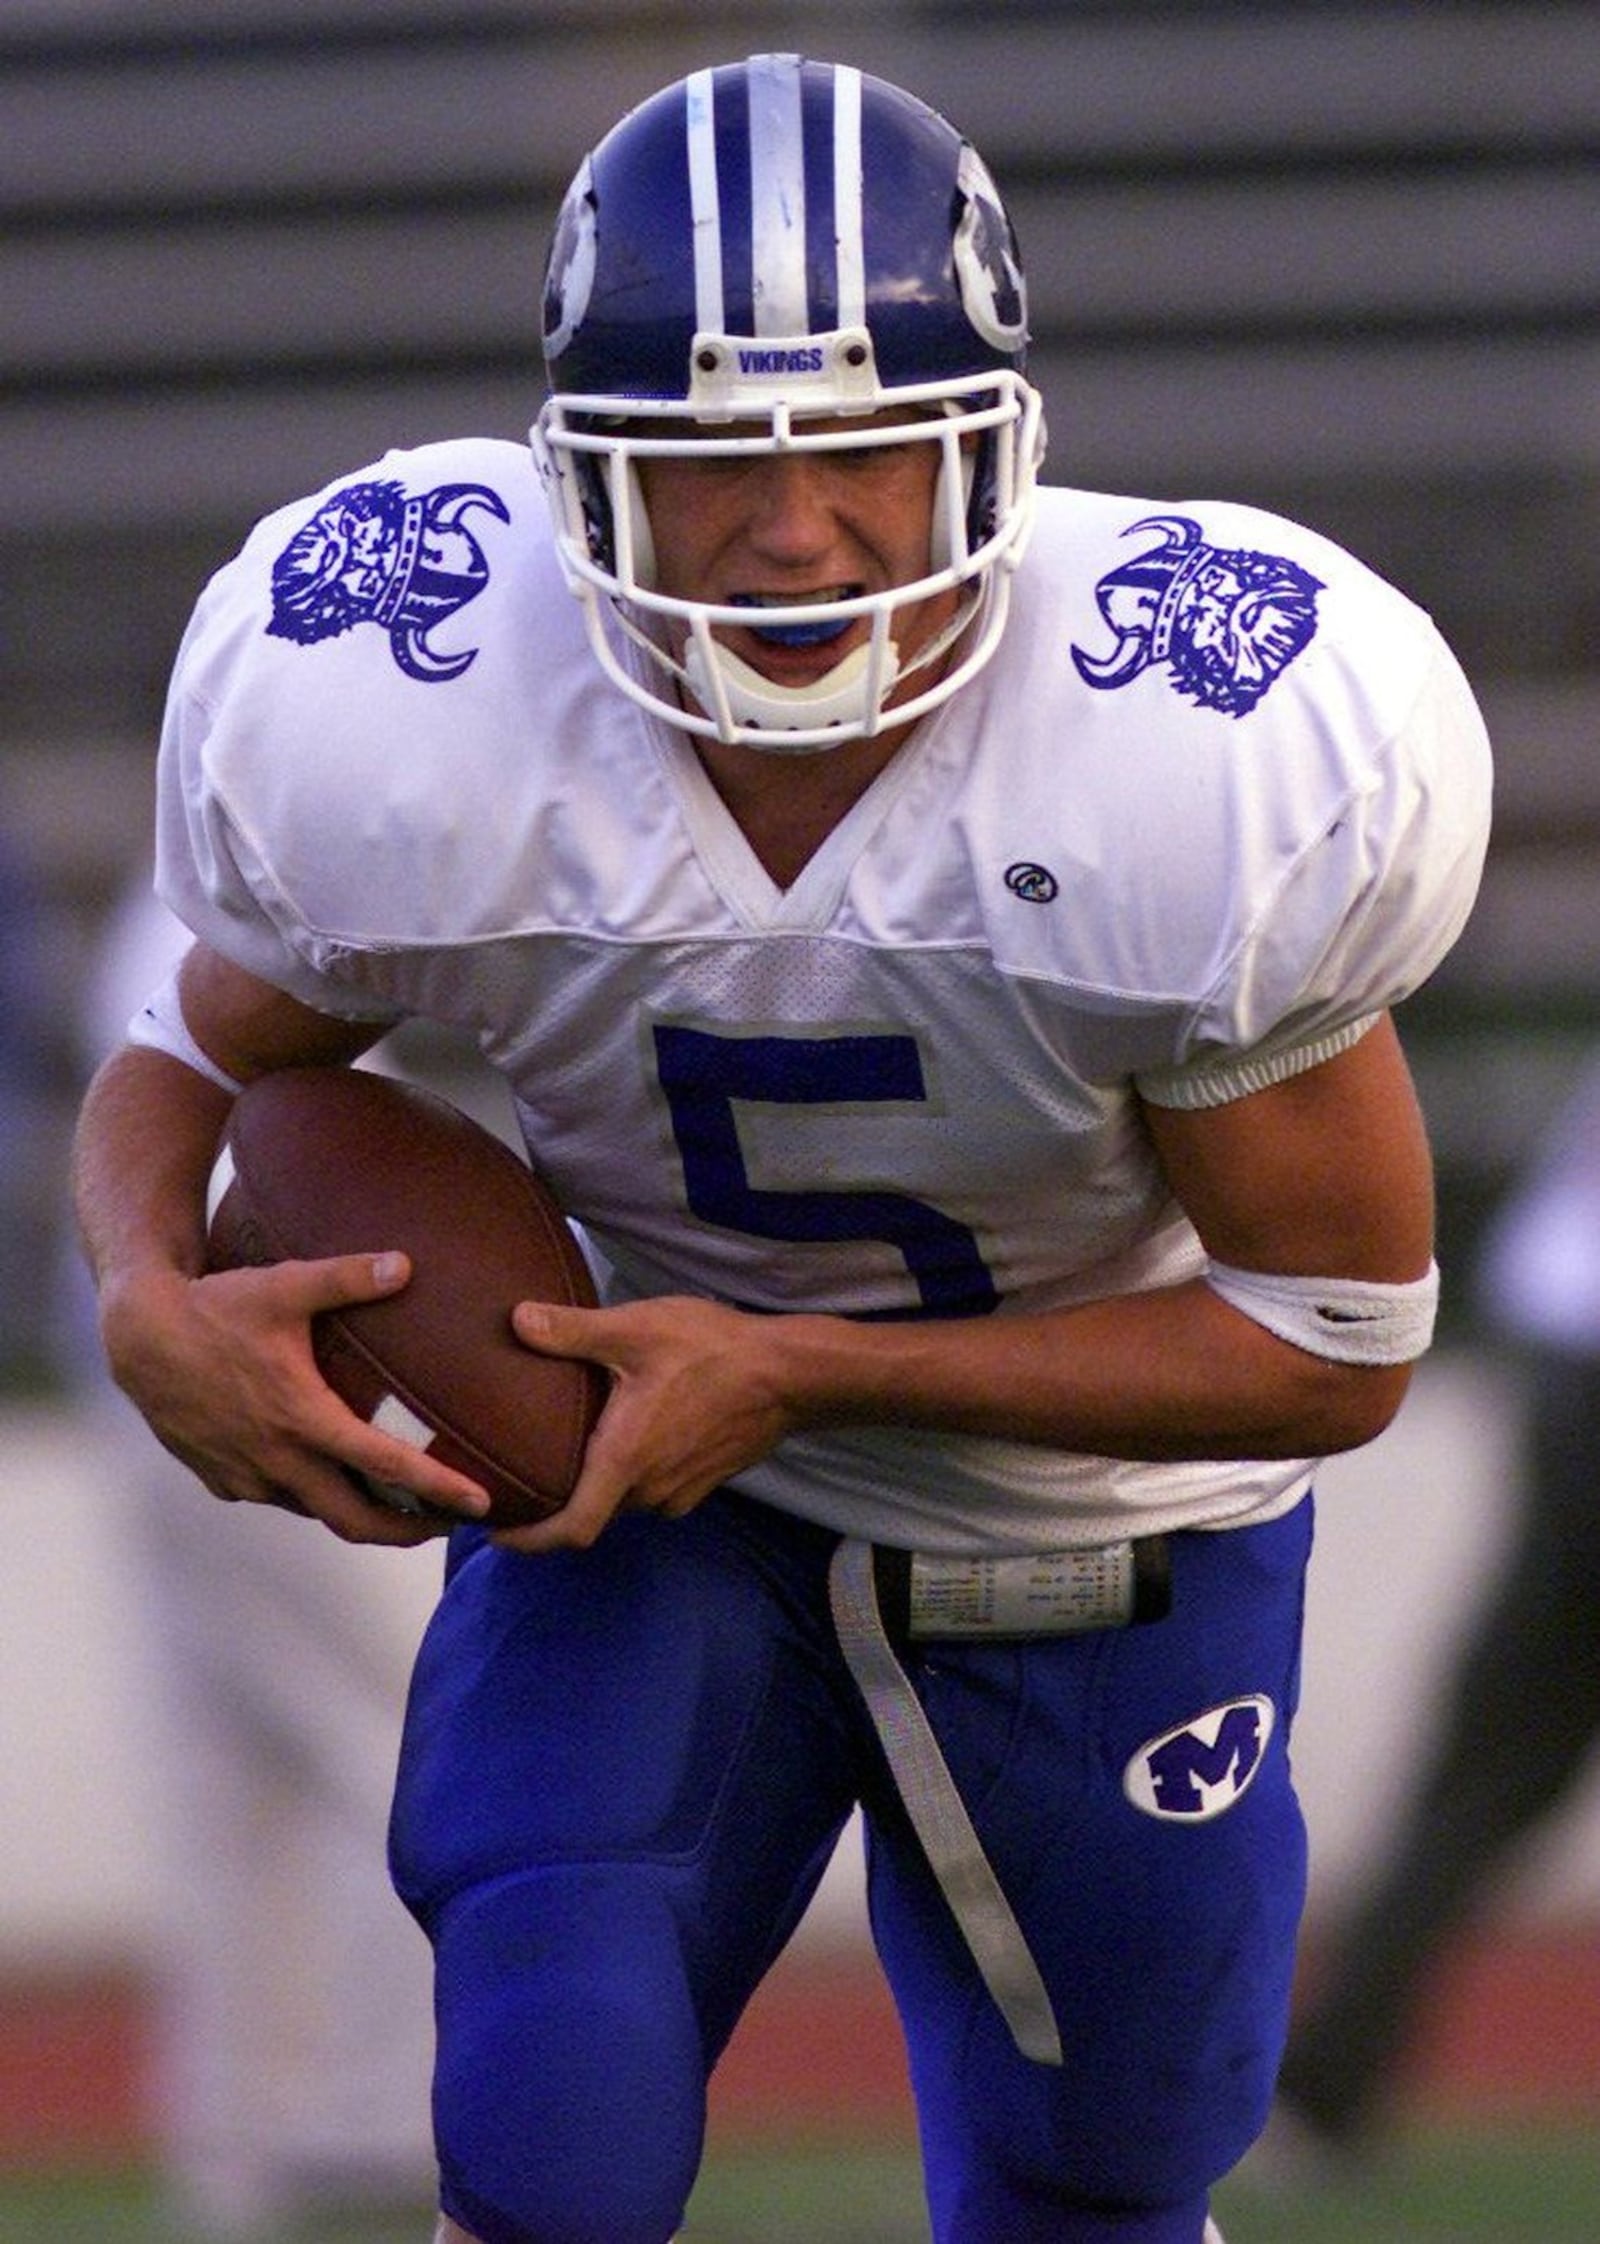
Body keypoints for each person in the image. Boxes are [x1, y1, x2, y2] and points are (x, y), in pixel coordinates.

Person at [70, 53, 1492, 2244]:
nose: (795, 523)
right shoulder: (429, 709)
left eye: (861, 444)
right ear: (581, 487)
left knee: (1089, 2185)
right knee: (547, 2126)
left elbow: (1323, 1344)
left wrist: (801, 1368)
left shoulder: (1190, 765)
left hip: (1100, 1524)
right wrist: (146, 1288)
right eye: (714, 459)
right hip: (653, 1494)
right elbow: (187, 1043)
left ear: (989, 452)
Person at [60, 877, 440, 2240]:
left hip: (152, 1400)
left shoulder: (187, 902)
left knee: (232, 1787)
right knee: (422, 1748)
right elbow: (243, 1168)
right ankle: (372, 2134)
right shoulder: (221, 904)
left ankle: (238, 2160)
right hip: (247, 1384)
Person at [1264, 1053, 1600, 2166]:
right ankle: (1323, 2088)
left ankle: (1324, 2093)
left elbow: (1532, 1268)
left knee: (1481, 1775)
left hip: (1570, 1400)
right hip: (1579, 1403)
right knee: (1483, 1772)